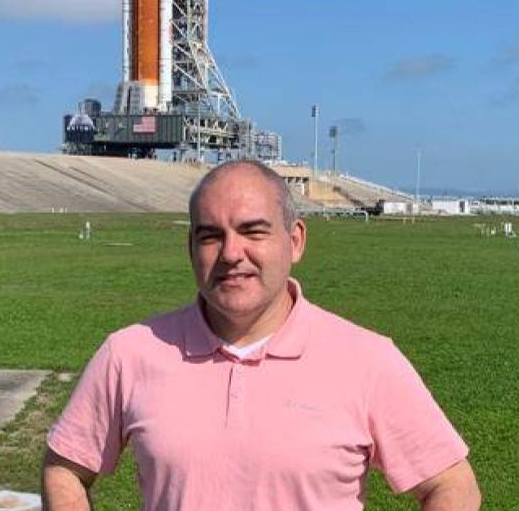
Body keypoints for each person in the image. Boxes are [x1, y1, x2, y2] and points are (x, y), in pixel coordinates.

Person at [42, 160, 480, 511]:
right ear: (190, 248)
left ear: (295, 241)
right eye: (211, 236)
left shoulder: (367, 359)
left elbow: (453, 486)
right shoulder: (130, 352)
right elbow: (64, 469)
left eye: (253, 231)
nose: (232, 254)